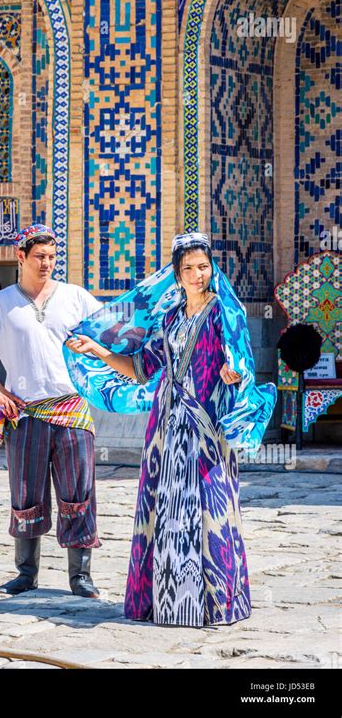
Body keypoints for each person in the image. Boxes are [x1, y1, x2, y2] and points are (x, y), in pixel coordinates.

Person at [65, 232, 276, 626]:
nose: (197, 275)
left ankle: (214, 604)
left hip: (206, 427)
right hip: (165, 427)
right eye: (188, 269)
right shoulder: (170, 318)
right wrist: (97, 351)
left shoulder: (223, 311)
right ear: (176, 276)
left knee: (210, 510)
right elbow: (142, 369)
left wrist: (235, 374)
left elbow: (239, 357)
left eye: (203, 267)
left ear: (212, 268)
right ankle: (167, 602)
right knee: (165, 510)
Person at [0, 225, 103, 598]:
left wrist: (97, 354)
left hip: (72, 410)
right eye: (40, 256)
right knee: (25, 494)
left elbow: (111, 333)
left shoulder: (76, 298)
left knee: (79, 492)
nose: (47, 264)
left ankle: (81, 576)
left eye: (53, 257)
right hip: (24, 413)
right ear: (20, 256)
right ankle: (26, 574)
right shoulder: (1, 304)